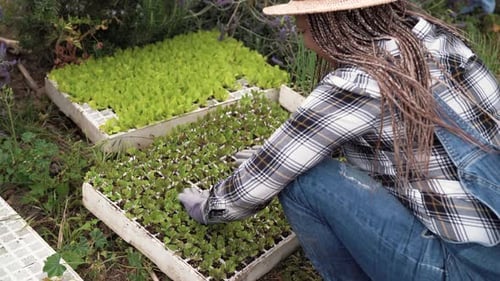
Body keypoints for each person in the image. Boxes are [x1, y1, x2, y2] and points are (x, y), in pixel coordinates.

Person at [179, 0, 500, 280]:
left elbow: (258, 182)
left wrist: (207, 207)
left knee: (304, 181)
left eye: (303, 30)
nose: (304, 42)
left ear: (328, 25)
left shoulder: (360, 80)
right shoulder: (433, 36)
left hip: (463, 270)